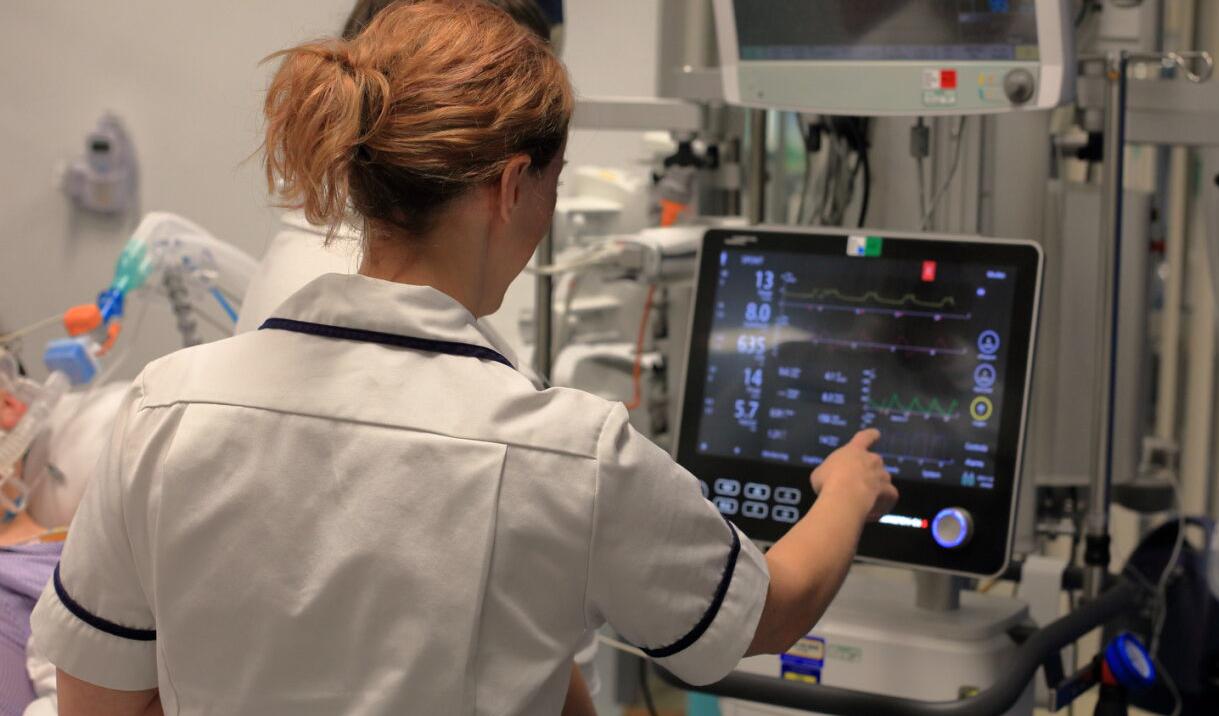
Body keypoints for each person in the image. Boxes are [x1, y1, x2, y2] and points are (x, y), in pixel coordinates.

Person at [30, 2, 897, 714]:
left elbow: (98, 701)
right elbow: (772, 609)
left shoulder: (167, 408)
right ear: (513, 186)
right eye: (553, 189)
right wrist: (847, 493)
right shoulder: (569, 455)